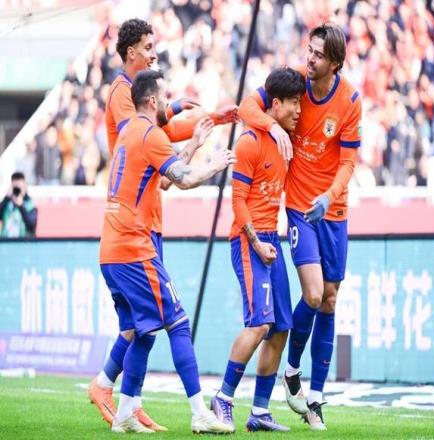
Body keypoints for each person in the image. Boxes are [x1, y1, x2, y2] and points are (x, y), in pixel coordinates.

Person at [88, 18, 237, 431]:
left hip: (118, 242)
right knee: (176, 320)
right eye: (149, 47)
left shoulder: (134, 131)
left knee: (142, 328)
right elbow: (176, 173)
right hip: (135, 241)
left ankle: (122, 405)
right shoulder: (133, 111)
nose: (154, 53)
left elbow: (165, 167)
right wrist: (213, 160)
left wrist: (197, 137)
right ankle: (199, 413)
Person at [239, 22, 362, 431]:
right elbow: (247, 107)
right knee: (312, 293)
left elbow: (348, 161)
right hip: (298, 208)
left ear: (335, 63)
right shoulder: (293, 85)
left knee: (329, 299)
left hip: (333, 209)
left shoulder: (350, 101)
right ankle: (292, 370)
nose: (310, 58)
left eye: (319, 55)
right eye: (309, 50)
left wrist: (330, 196)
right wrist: (272, 125)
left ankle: (315, 397)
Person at [210, 67, 305, 433]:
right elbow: (237, 201)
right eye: (293, 103)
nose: (299, 110)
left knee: (281, 327)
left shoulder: (286, 141)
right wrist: (256, 242)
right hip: (248, 241)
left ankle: (260, 412)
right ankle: (223, 397)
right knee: (260, 323)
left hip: (271, 240)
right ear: (275, 105)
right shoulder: (249, 142)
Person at [0, 172, 37, 238]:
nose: (17, 191)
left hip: (23, 242)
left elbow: (31, 225)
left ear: (25, 187)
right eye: (15, 188)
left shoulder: (30, 204)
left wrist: (21, 206)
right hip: (6, 242)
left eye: (19, 187)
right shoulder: (6, 203)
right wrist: (6, 198)